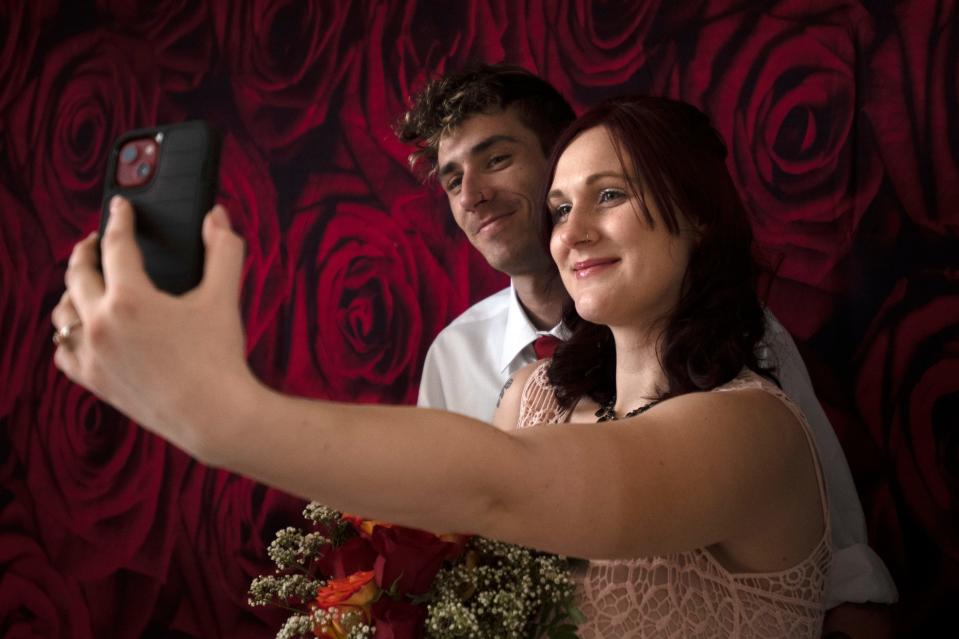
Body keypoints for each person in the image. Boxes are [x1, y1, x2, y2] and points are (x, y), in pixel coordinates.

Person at [54, 95, 855, 637]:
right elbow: (445, 542)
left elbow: (497, 483)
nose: (571, 234)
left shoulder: (752, 432)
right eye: (560, 209)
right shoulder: (535, 393)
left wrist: (217, 412)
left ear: (699, 218)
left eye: (609, 193)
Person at [399, 64, 896, 636]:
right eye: (452, 178)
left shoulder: (748, 355)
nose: (473, 194)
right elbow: (451, 560)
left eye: (496, 159)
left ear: (558, 151)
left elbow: (842, 565)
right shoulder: (461, 357)